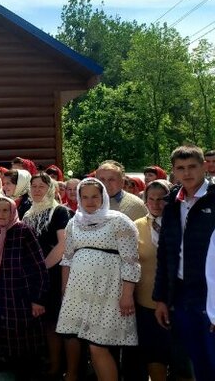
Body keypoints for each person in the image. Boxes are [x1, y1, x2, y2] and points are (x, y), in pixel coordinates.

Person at [56, 178, 140, 381]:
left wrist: (127, 294)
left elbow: (130, 260)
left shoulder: (118, 220)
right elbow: (67, 259)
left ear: (103, 197)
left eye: (95, 196)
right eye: (84, 197)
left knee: (98, 346)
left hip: (109, 291)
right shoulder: (73, 222)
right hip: (79, 292)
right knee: (90, 344)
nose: (90, 201)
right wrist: (65, 291)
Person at [154, 145, 215, 381]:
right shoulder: (171, 204)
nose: (187, 173)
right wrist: (160, 297)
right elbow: (165, 254)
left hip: (210, 293)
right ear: (174, 171)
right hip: (180, 294)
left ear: (204, 167)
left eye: (192, 167)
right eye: (181, 168)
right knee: (195, 357)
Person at [0, 197, 48, 378]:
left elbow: (39, 267)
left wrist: (38, 299)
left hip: (21, 295)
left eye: (6, 211)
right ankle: (5, 361)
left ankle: (25, 367)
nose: (2, 214)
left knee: (23, 333)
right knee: (1, 328)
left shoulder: (24, 232)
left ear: (12, 212)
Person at [134, 180, 192, 381]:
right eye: (151, 199)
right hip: (146, 303)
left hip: (179, 302)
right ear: (145, 200)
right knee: (154, 355)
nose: (156, 204)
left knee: (182, 358)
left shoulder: (183, 224)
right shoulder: (136, 227)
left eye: (162, 199)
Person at [21, 172, 73, 379]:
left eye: (42, 186)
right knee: (36, 320)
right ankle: (41, 360)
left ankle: (56, 365)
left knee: (52, 320)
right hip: (30, 274)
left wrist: (42, 267)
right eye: (33, 186)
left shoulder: (58, 211)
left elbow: (64, 244)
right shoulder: (27, 212)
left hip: (51, 272)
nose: (37, 190)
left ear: (50, 188)